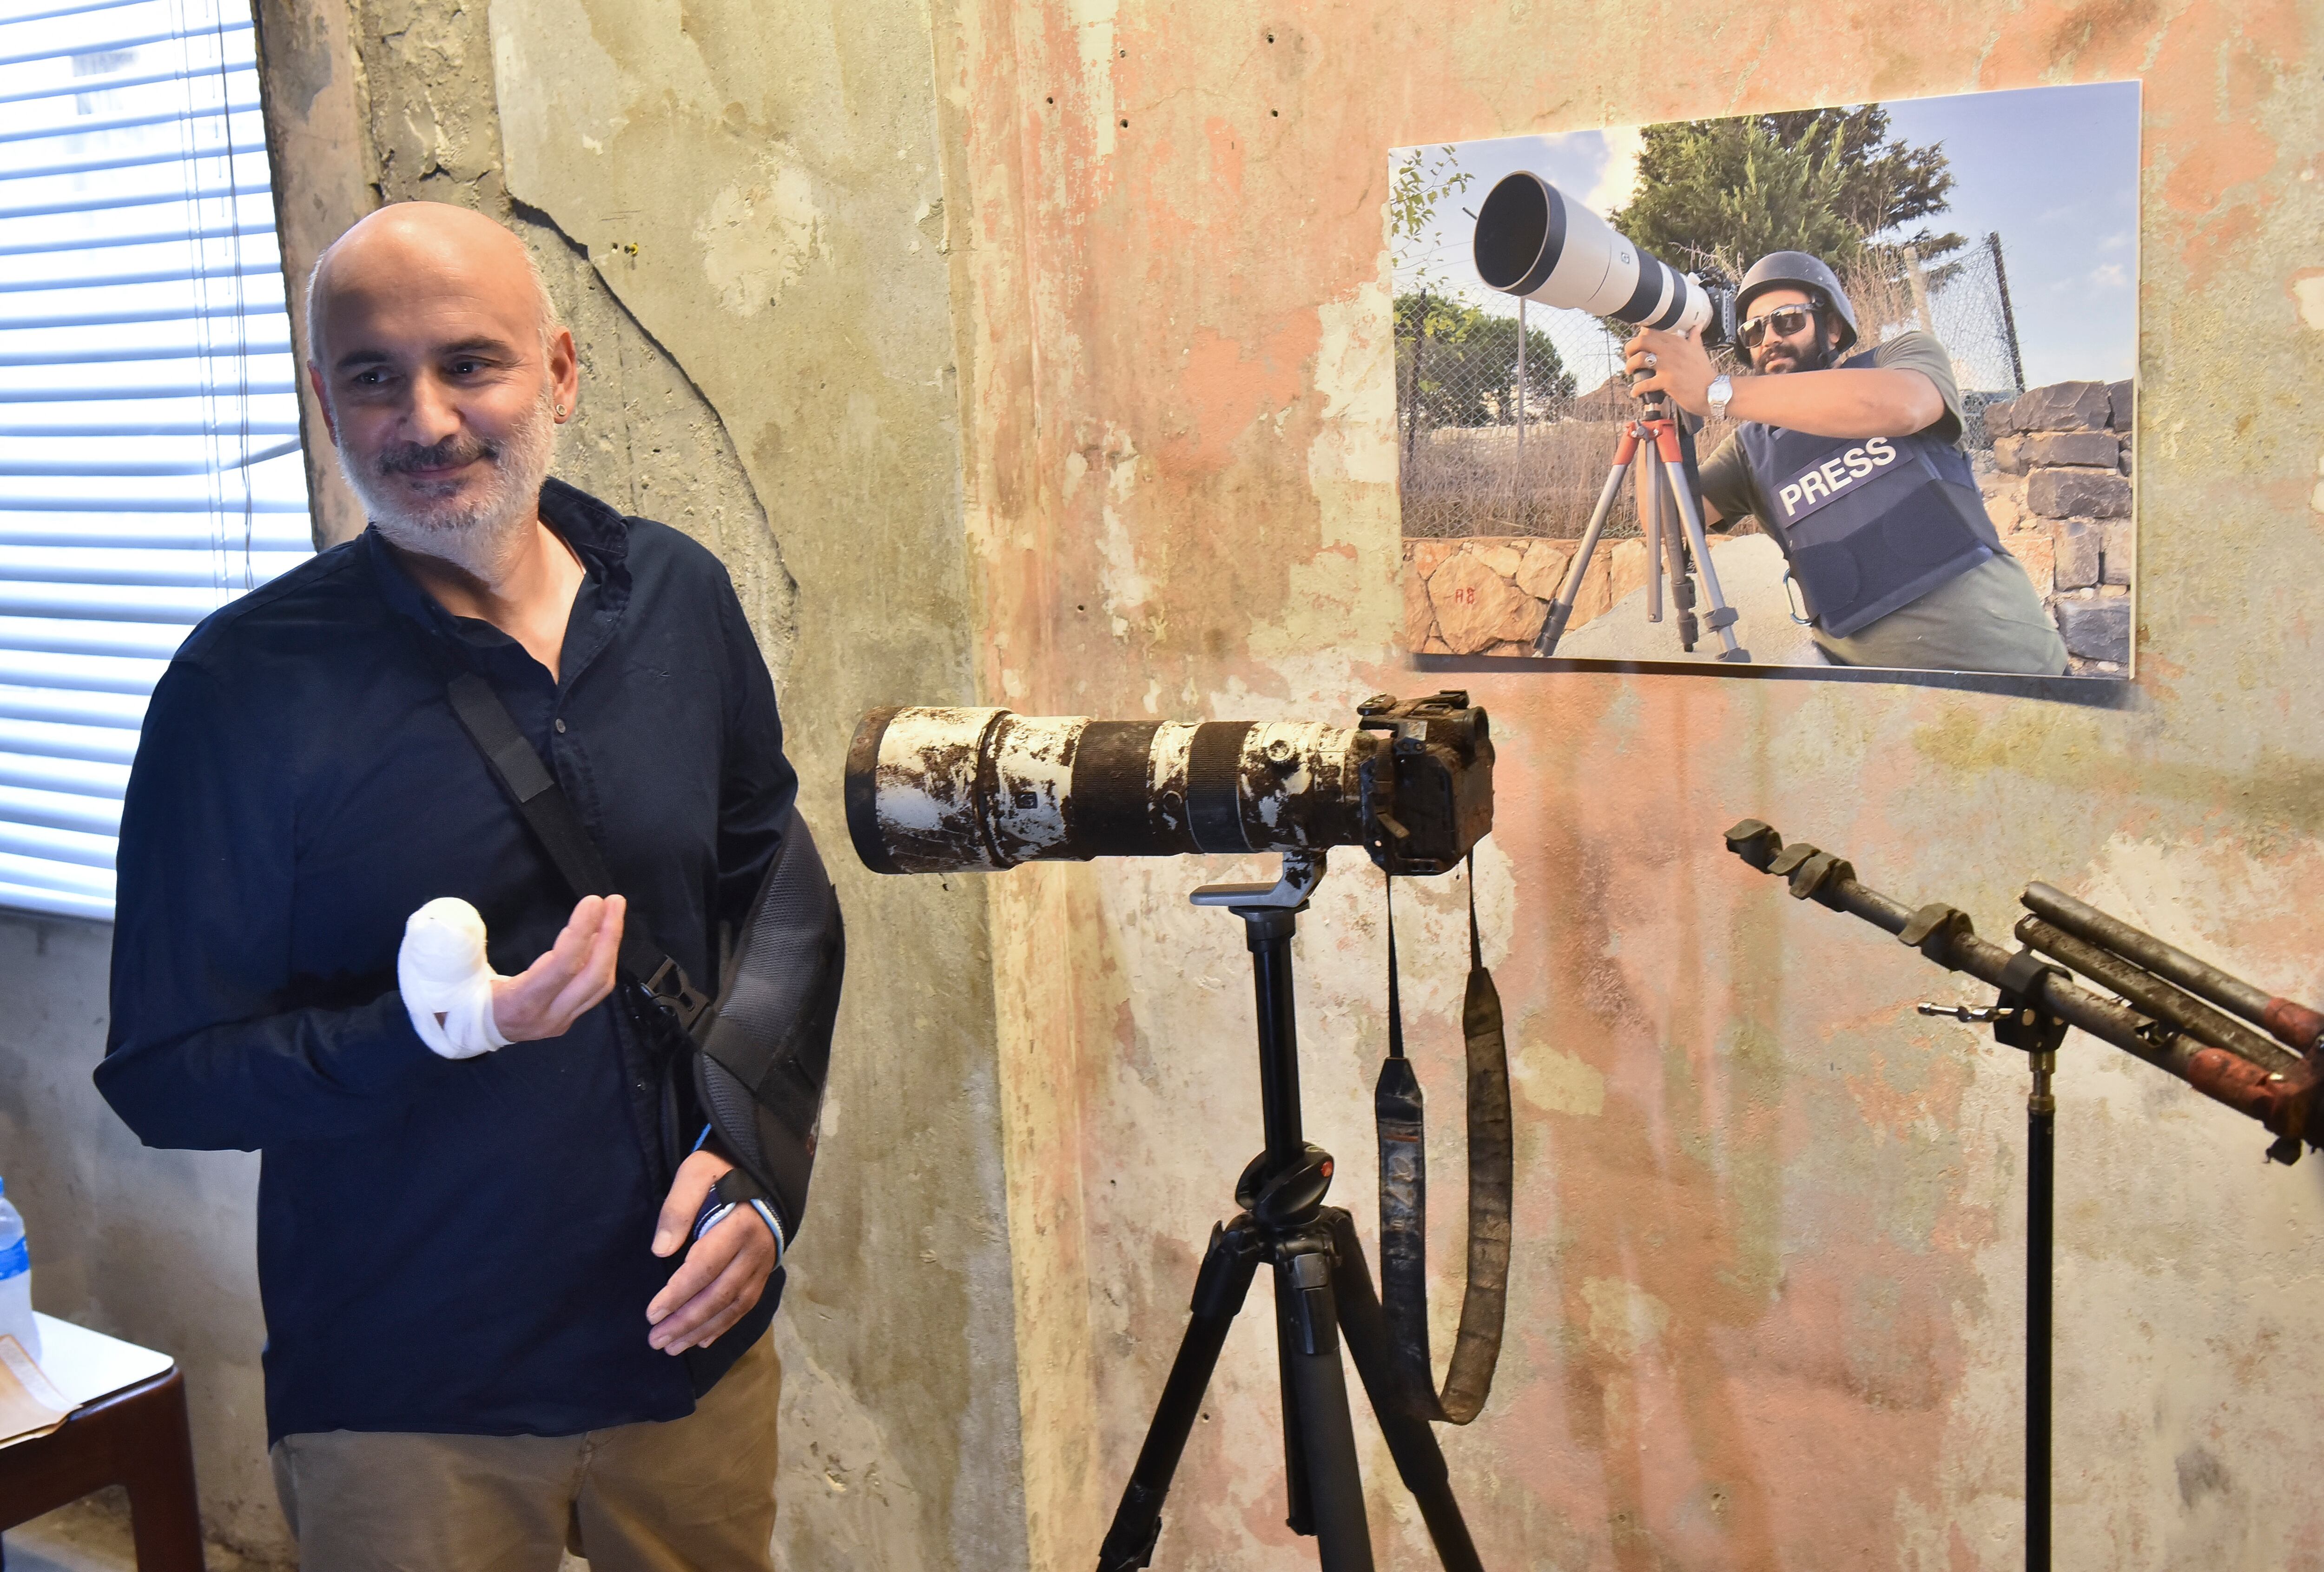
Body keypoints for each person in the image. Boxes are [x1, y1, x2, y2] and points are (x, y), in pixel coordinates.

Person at [95, 201, 797, 1572]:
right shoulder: (242, 688)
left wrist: (766, 1181)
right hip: (409, 1407)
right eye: (372, 375)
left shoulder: (677, 598)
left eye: (470, 363)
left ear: (560, 372)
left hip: (687, 1359)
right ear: (325, 400)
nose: (424, 417)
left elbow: (775, 907)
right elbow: (167, 1073)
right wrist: (432, 1028)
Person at [1625, 250, 2069, 675]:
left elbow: (1905, 406)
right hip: (1865, 707)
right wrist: (1662, 415)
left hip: (2013, 672)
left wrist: (1716, 392)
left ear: (1833, 327)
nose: (1771, 340)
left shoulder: (1900, 359)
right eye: (1754, 333)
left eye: (1787, 320)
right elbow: (1666, 521)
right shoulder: (1751, 445)